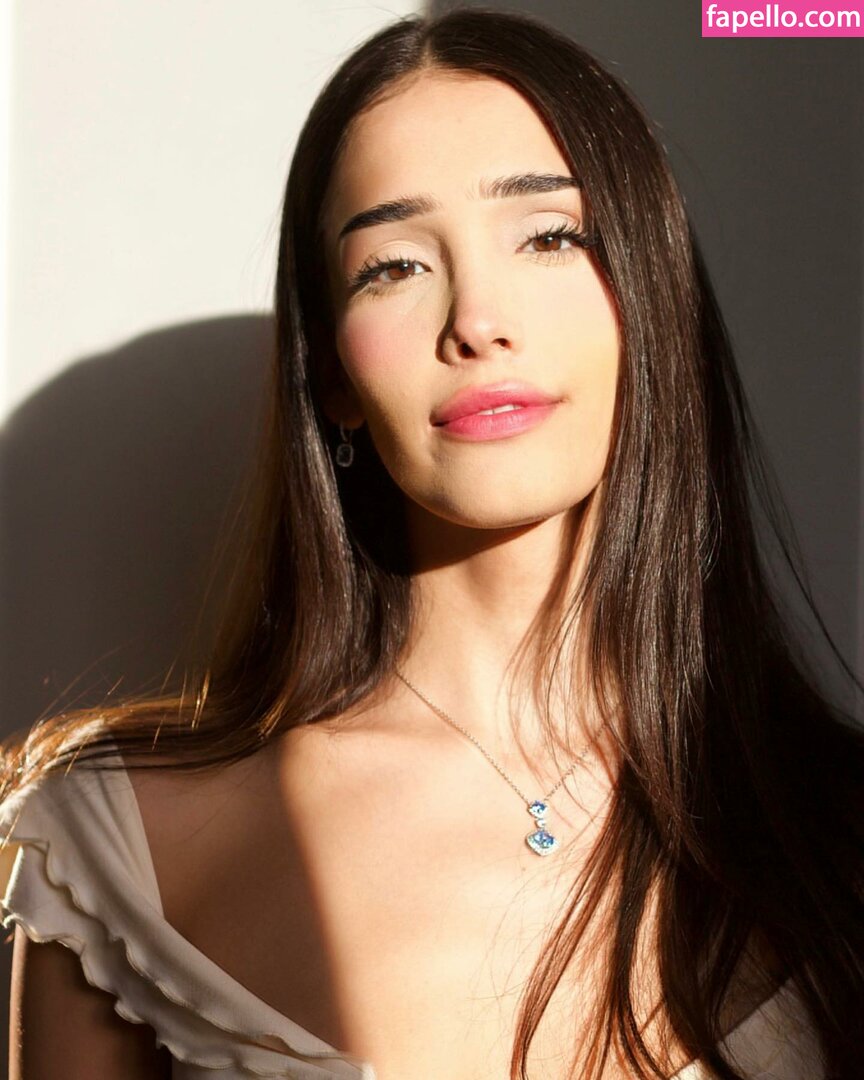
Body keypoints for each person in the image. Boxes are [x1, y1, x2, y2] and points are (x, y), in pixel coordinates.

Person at [1, 7, 862, 1080]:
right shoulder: (121, 848)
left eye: (550, 236)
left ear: (652, 300)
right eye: (395, 266)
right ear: (330, 373)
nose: (478, 320)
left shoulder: (835, 831)